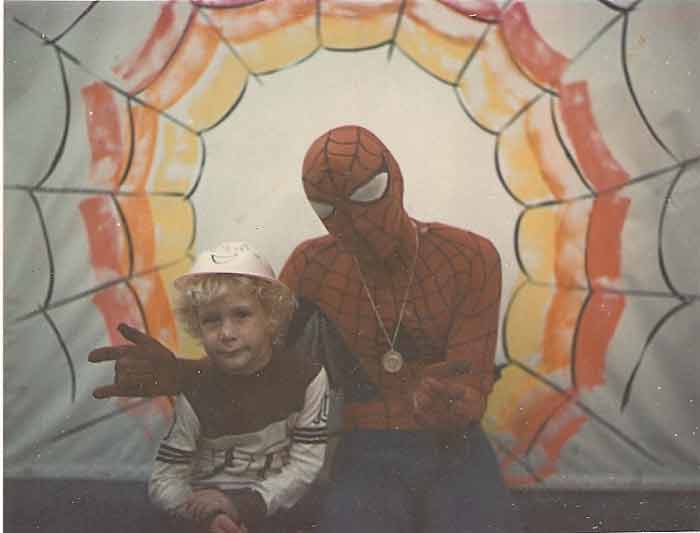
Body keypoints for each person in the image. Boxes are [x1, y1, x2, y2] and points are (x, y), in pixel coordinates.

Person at [90, 126, 521, 532]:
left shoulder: (467, 258)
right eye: (330, 209)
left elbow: (471, 389)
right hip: (363, 446)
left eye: (367, 194)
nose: (355, 223)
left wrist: (454, 402)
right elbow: (262, 366)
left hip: (453, 443)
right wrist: (185, 375)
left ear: (396, 178)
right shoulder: (314, 266)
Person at [142, 241, 330, 533]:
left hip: (275, 507)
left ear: (270, 317)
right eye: (211, 320)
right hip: (206, 512)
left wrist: (243, 507)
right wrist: (207, 516)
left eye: (241, 315)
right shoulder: (195, 387)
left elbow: (305, 466)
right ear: (197, 327)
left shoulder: (308, 377)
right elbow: (164, 480)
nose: (226, 333)